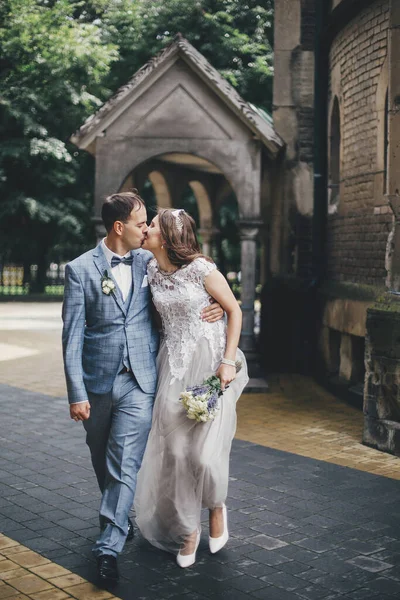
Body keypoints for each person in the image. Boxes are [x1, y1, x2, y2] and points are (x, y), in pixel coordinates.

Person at [61, 192, 223, 584]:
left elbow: (190, 278)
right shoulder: (80, 269)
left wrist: (215, 306)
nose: (147, 228)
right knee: (102, 457)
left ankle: (108, 547)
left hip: (142, 380)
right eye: (141, 222)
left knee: (124, 463)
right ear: (120, 227)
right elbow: (71, 338)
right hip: (97, 383)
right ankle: (117, 516)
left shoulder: (150, 260)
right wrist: (76, 393)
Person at [134, 208, 249, 568]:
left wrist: (227, 362)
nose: (145, 229)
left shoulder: (201, 268)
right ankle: (188, 530)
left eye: (150, 225)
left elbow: (235, 310)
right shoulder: (149, 268)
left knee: (204, 454)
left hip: (211, 364)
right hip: (172, 366)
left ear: (166, 237)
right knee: (176, 454)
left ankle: (216, 507)